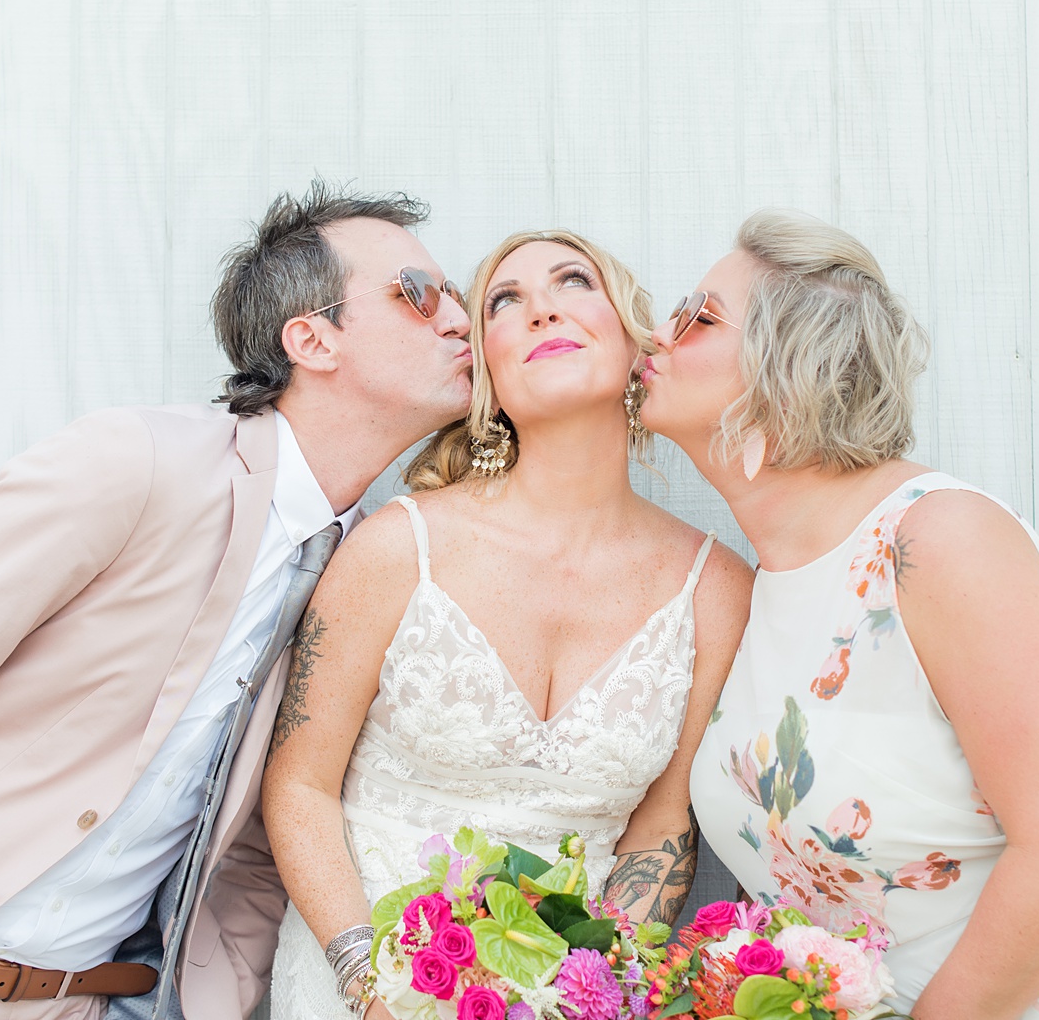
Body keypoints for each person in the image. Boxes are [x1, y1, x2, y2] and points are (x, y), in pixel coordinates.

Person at [0, 182, 473, 1020]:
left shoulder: (363, 569)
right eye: (417, 294)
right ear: (312, 339)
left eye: (455, 295)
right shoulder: (133, 464)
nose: (458, 318)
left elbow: (251, 846)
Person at [640, 209, 1039, 1019]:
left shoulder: (939, 537)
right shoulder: (752, 589)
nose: (655, 339)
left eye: (698, 318)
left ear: (787, 364)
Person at [260, 229, 753, 1019]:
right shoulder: (398, 545)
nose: (542, 309)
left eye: (572, 281)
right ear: (483, 367)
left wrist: (595, 994)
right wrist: (366, 987)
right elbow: (299, 783)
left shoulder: (716, 587)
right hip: (354, 977)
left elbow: (662, 825)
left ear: (634, 342)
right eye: (506, 300)